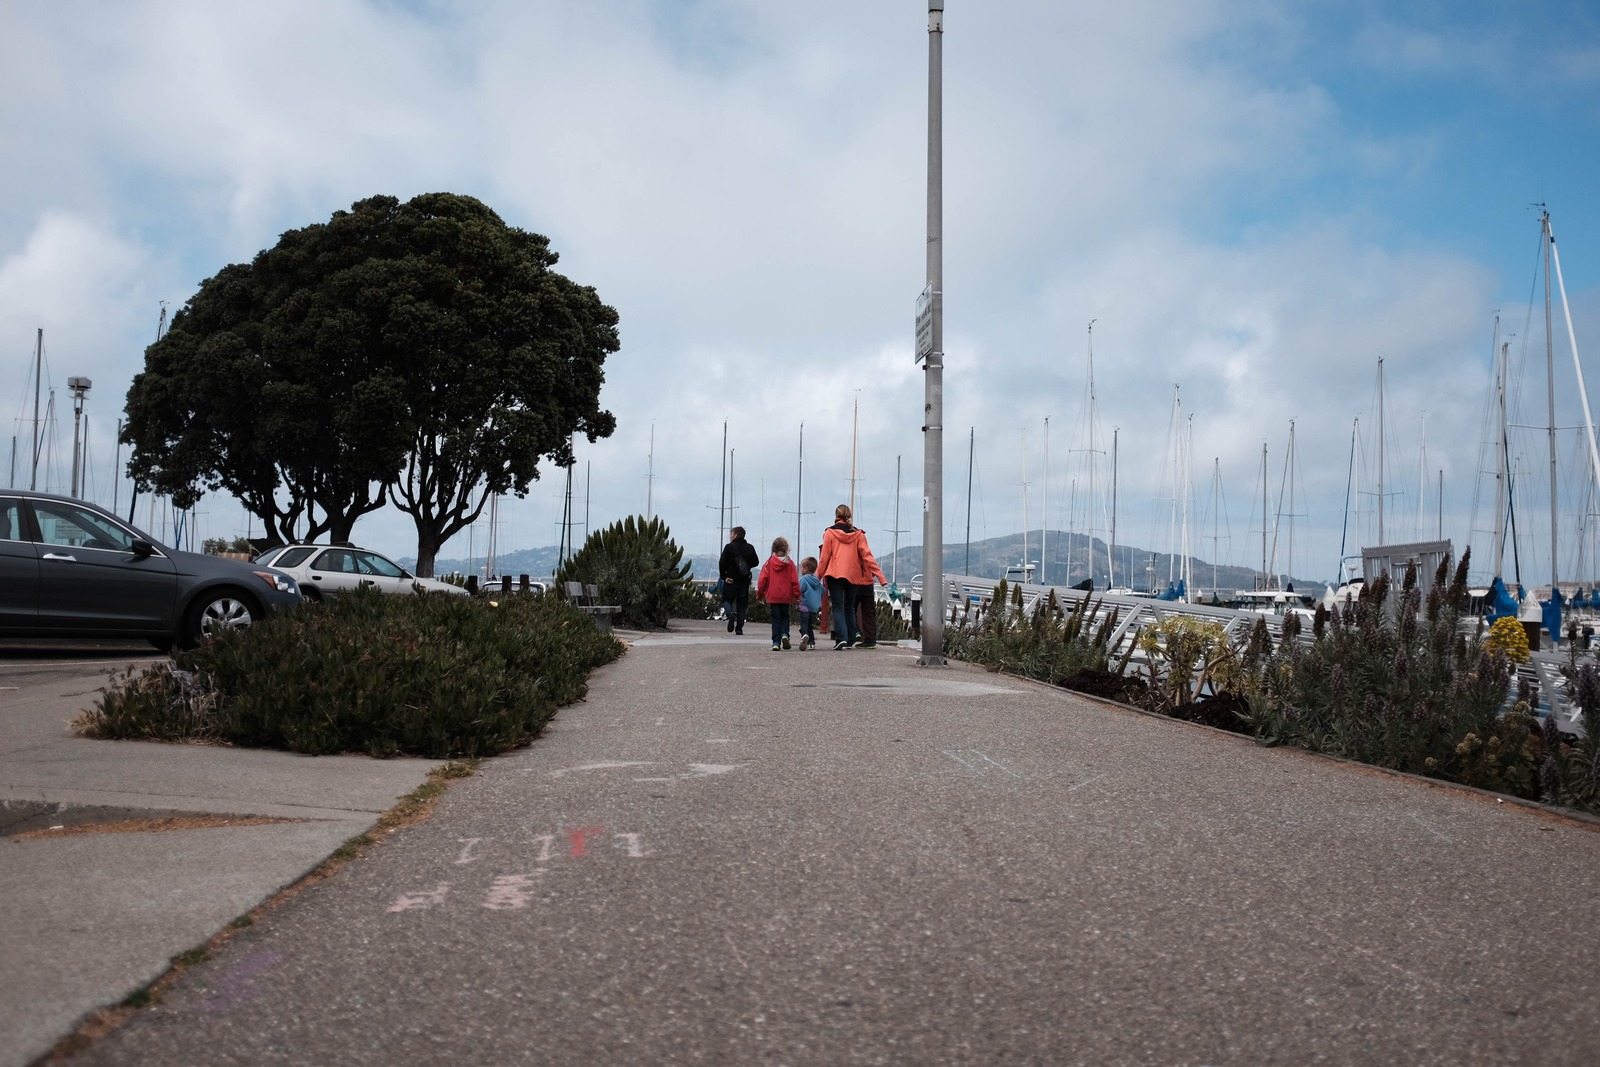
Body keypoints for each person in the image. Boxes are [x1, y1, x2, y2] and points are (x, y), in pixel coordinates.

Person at [817, 504, 887, 650]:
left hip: (835, 574)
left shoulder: (829, 533)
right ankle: (850, 639)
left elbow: (825, 558)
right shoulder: (858, 534)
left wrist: (817, 577)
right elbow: (868, 557)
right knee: (849, 607)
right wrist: (881, 577)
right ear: (849, 516)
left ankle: (841, 638)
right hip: (853, 576)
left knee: (837, 606)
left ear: (836, 516)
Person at [757, 536, 800, 651]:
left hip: (773, 595)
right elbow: (795, 581)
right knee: (785, 616)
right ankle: (785, 634)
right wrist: (798, 596)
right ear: (786, 549)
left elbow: (762, 581)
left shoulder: (768, 563)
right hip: (786, 596)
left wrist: (759, 594)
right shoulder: (790, 564)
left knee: (776, 618)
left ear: (773, 549)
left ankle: (776, 642)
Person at [718, 526, 759, 635]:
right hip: (744, 581)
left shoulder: (729, 547)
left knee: (726, 600)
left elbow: (722, 563)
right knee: (742, 605)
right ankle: (739, 628)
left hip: (730, 580)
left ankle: (730, 613)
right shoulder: (750, 548)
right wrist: (747, 565)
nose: (730, 536)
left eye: (731, 534)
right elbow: (756, 562)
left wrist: (723, 576)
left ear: (736, 535)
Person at [797, 556, 824, 651]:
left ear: (806, 568)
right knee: (810, 625)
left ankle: (804, 635)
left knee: (804, 623)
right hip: (814, 608)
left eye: (801, 567)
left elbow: (798, 590)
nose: (800, 569)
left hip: (805, 606)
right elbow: (823, 591)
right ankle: (811, 643)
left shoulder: (803, 580)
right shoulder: (817, 581)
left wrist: (796, 599)